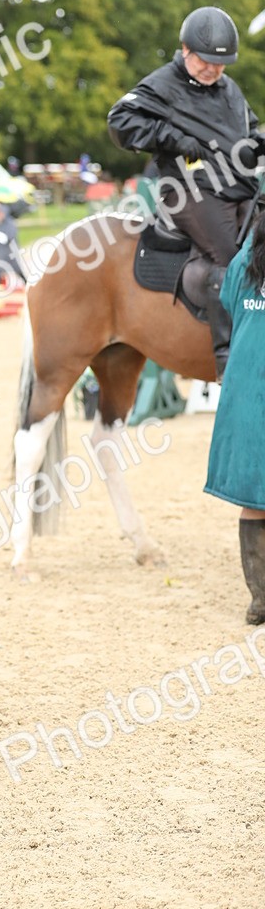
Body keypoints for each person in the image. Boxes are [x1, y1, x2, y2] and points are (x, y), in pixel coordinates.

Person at [107, 6, 265, 381]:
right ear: (186, 50)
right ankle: (229, 358)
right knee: (235, 258)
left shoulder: (228, 88)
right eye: (207, 61)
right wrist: (171, 138)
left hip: (237, 187)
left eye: (220, 64)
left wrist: (258, 142)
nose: (213, 70)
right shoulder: (163, 83)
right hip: (189, 192)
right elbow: (120, 121)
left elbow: (250, 127)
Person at [204, 207, 265, 623]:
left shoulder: (245, 260)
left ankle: (260, 600)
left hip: (243, 387)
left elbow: (226, 299)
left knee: (252, 501)